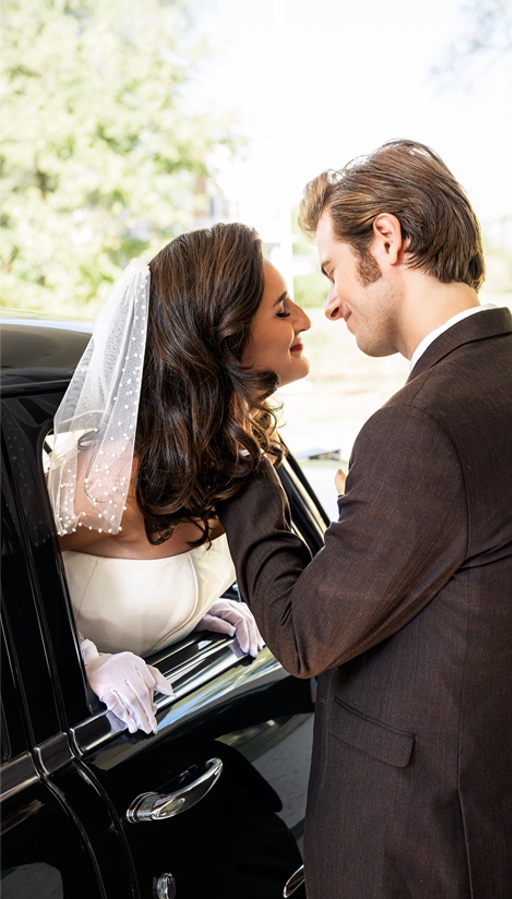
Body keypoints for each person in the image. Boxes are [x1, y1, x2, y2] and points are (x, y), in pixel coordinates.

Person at [216, 141, 512, 898]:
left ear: (386, 240)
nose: (329, 305)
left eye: (332, 270)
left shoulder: (420, 426)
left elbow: (301, 635)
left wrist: (238, 445)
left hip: (427, 847)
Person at [48, 223, 311, 735]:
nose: (304, 319)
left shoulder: (229, 453)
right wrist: (83, 661)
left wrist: (189, 613)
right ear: (225, 339)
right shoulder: (113, 478)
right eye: (283, 311)